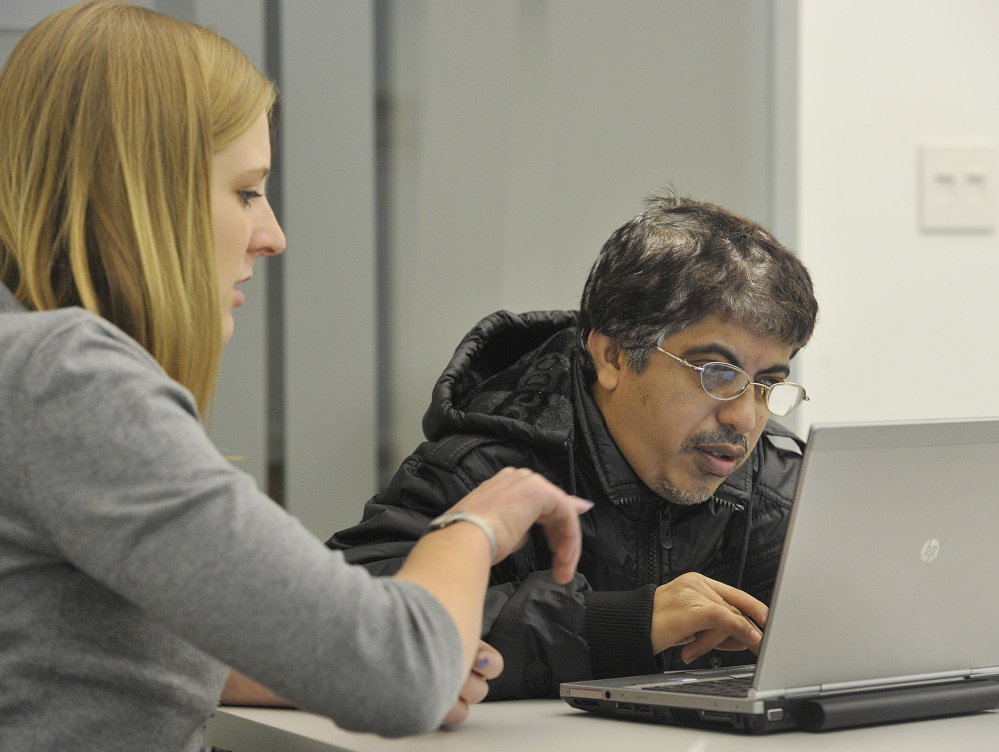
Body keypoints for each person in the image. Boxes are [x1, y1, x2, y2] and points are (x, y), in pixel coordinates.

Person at [0, 2, 590, 750]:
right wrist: (474, 527)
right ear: (141, 192)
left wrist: (272, 662)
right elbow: (402, 675)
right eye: (245, 191)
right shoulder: (66, 380)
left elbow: (45, 647)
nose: (272, 234)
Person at [328, 193, 819, 699]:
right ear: (613, 357)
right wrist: (612, 625)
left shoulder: (780, 482)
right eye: (718, 373)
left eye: (768, 384)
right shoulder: (482, 471)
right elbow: (344, 623)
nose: (744, 417)